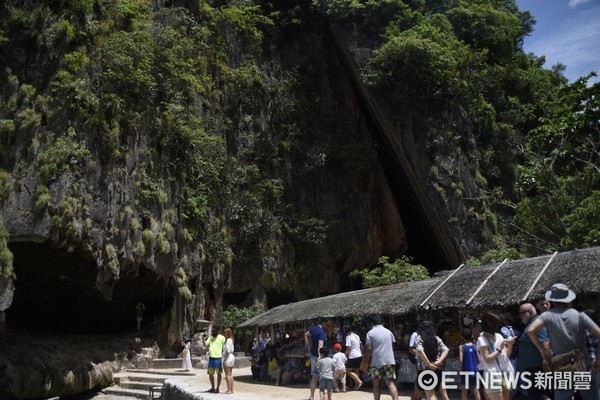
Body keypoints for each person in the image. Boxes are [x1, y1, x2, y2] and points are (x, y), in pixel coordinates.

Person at [528, 283, 600, 400]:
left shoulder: (547, 316)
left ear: (552, 300)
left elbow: (531, 330)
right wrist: (598, 359)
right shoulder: (580, 316)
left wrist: (542, 350)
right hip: (582, 366)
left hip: (562, 368)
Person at [514, 302, 550, 400]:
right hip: (530, 369)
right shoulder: (530, 324)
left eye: (522, 313)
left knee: (540, 395)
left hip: (535, 368)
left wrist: (546, 362)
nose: (520, 316)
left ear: (530, 312)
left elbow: (545, 343)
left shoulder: (536, 324)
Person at [477, 311, 514, 400]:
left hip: (505, 373)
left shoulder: (499, 336)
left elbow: (506, 356)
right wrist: (499, 349)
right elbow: (487, 359)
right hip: (492, 376)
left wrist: (510, 345)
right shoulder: (481, 339)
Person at [364, 314, 399, 400]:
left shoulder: (370, 333)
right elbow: (392, 346)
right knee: (390, 383)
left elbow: (369, 349)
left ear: (371, 324)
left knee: (376, 384)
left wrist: (366, 362)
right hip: (389, 361)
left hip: (376, 362)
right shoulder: (388, 332)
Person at [415, 320, 450, 400]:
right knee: (445, 396)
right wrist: (439, 361)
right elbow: (446, 350)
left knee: (431, 395)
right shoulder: (437, 338)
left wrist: (429, 365)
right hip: (437, 369)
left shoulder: (419, 338)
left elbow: (420, 350)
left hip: (425, 371)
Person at [305, 318, 328, 400]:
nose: (327, 326)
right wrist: (320, 357)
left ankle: (312, 396)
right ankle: (323, 396)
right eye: (327, 324)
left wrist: (308, 346)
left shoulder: (313, 329)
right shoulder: (322, 333)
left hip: (312, 355)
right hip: (319, 357)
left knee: (314, 376)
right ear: (323, 323)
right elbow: (320, 346)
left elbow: (306, 334)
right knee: (323, 376)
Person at [459, 328, 481, 400]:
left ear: (462, 336)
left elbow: (461, 360)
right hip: (475, 370)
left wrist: (460, 369)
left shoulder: (462, 347)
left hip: (465, 370)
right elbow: (478, 359)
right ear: (471, 336)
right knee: (476, 390)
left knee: (464, 391)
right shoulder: (475, 346)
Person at [204, 325, 226, 393]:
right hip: (211, 358)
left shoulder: (222, 338)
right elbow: (205, 345)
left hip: (218, 358)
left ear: (217, 330)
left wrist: (225, 357)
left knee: (219, 374)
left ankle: (218, 388)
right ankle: (213, 387)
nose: (213, 331)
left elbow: (225, 347)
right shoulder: (210, 337)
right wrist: (203, 339)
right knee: (210, 374)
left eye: (214, 330)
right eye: (212, 330)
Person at [344, 325, 364, 390]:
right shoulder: (356, 336)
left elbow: (349, 348)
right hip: (359, 355)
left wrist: (345, 354)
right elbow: (361, 345)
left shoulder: (348, 337)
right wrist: (362, 353)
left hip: (353, 356)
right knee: (356, 371)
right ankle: (356, 386)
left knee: (348, 371)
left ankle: (359, 381)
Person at [409, 327, 422, 400]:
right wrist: (421, 355)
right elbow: (411, 349)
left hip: (425, 360)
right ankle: (416, 397)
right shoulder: (415, 334)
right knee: (419, 377)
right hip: (419, 360)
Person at [223, 327, 235, 394]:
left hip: (228, 357)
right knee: (230, 374)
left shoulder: (228, 340)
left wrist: (225, 359)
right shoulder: (231, 340)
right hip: (232, 356)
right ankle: (232, 389)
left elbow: (227, 351)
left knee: (227, 374)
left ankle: (229, 389)